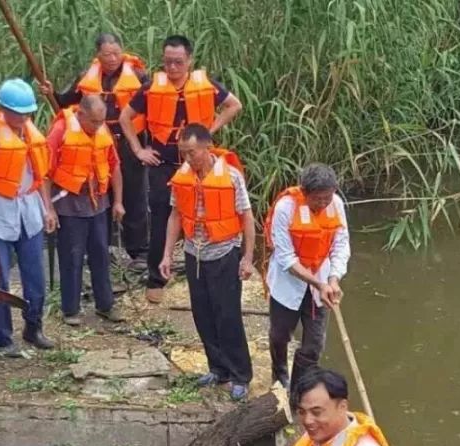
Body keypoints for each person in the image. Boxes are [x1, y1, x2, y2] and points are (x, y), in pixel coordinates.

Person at [119, 34, 243, 304]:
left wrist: (209, 130)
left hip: (196, 163)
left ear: (189, 60)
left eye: (178, 62)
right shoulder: (152, 87)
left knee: (204, 213)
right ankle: (156, 277)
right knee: (162, 217)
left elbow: (234, 105)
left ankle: (202, 268)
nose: (172, 68)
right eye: (167, 62)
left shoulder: (205, 85)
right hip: (163, 164)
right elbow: (125, 117)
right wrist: (139, 150)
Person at [159, 124, 255, 401]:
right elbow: (175, 216)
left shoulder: (232, 178)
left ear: (207, 146)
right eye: (184, 154)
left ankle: (240, 375)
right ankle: (218, 368)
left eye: (192, 153)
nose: (189, 159)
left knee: (228, 316)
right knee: (203, 314)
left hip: (224, 254)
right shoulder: (182, 177)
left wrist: (247, 259)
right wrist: (167, 254)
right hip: (194, 254)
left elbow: (247, 218)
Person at [40, 33, 151, 265]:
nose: (112, 58)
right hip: (97, 144)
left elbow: (153, 109)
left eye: (116, 53)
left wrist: (145, 147)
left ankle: (139, 250)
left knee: (135, 196)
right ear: (98, 55)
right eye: (106, 54)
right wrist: (51, 93)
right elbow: (65, 101)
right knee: (102, 193)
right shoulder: (86, 77)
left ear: (123, 51)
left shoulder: (140, 76)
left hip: (129, 142)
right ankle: (105, 248)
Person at [0, 78, 58, 356]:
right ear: (3, 109)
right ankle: (2, 339)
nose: (24, 118)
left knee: (35, 277)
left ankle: (33, 327)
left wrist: (47, 208)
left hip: (28, 213)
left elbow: (39, 174)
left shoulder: (29, 132)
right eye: (19, 113)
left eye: (28, 113)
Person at [265, 163, 350, 390]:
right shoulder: (286, 207)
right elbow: (286, 258)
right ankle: (280, 374)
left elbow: (341, 245)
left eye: (327, 198)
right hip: (288, 285)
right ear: (304, 193)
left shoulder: (337, 205)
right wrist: (318, 283)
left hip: (321, 284)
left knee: (314, 345)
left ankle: (299, 387)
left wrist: (332, 280)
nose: (323, 204)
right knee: (279, 336)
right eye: (318, 199)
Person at [44, 95, 126, 326]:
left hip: (98, 203)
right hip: (69, 204)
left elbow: (114, 166)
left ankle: (106, 305)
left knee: (101, 253)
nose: (97, 126)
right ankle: (70, 309)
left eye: (101, 121)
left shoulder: (102, 131)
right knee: (72, 256)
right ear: (80, 114)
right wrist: (48, 208)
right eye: (93, 121)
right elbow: (46, 173)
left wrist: (118, 201)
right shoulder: (60, 130)